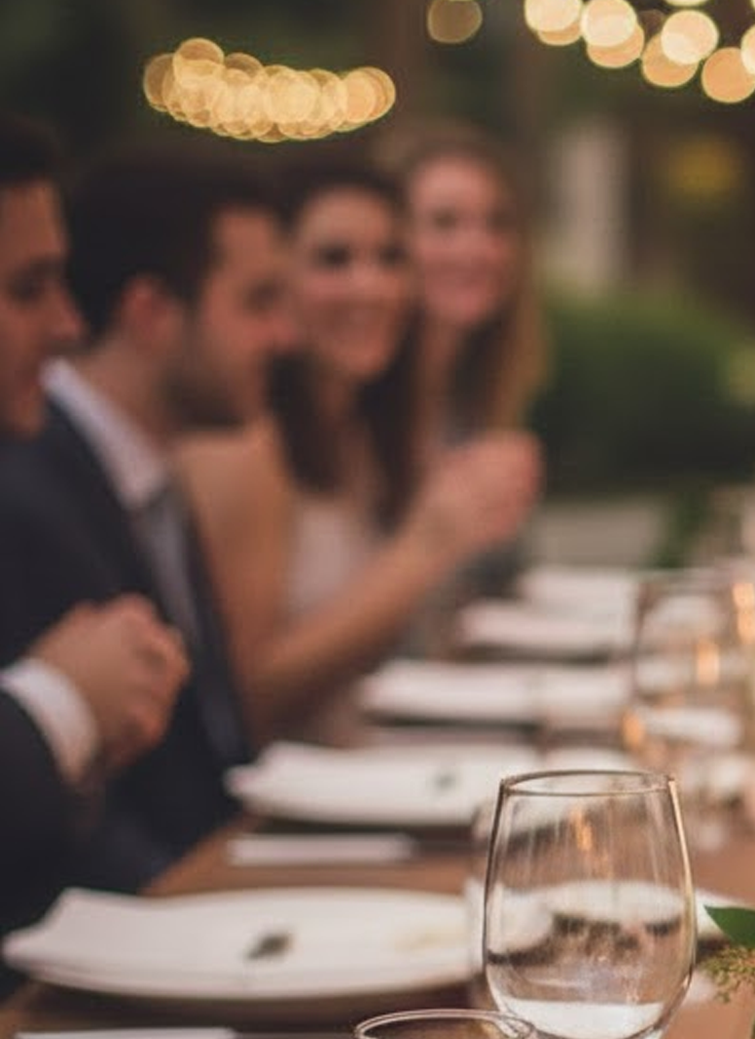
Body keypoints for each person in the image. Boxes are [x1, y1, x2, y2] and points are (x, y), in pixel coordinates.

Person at [0, 141, 285, 898]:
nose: (67, 325)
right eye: (257, 303)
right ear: (154, 313)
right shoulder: (27, 487)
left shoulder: (145, 471)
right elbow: (65, 836)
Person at [178, 158, 539, 741]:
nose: (369, 288)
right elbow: (246, 701)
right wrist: (427, 547)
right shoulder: (245, 445)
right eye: (333, 260)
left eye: (390, 260)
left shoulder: (359, 430)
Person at [386, 122, 547, 451]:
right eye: (444, 222)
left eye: (498, 223)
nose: (478, 250)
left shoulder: (481, 395)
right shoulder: (346, 412)